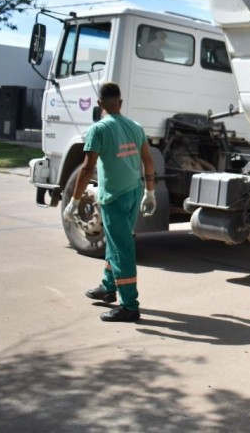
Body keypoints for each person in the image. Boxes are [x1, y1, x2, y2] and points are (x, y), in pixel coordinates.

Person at [63, 82, 156, 322]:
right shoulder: (136, 127)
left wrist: (74, 201)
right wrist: (150, 191)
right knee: (116, 242)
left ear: (99, 104)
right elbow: (147, 160)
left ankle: (129, 305)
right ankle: (108, 287)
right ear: (121, 103)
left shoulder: (99, 129)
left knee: (122, 247)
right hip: (134, 192)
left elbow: (86, 169)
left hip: (114, 196)